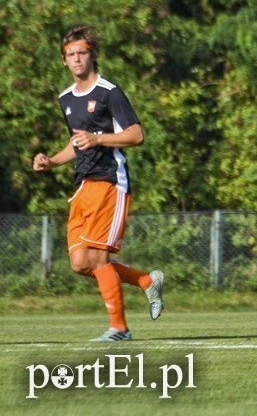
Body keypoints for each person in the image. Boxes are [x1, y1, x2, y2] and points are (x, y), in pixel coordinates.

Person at [33, 25, 164, 341]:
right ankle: (146, 281)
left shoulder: (109, 92)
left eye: (82, 52)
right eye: (70, 54)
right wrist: (52, 162)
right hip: (82, 186)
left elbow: (136, 134)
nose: (77, 58)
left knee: (98, 258)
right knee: (80, 263)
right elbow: (77, 143)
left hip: (110, 182)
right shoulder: (66, 98)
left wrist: (99, 138)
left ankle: (119, 329)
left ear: (93, 56)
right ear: (64, 60)